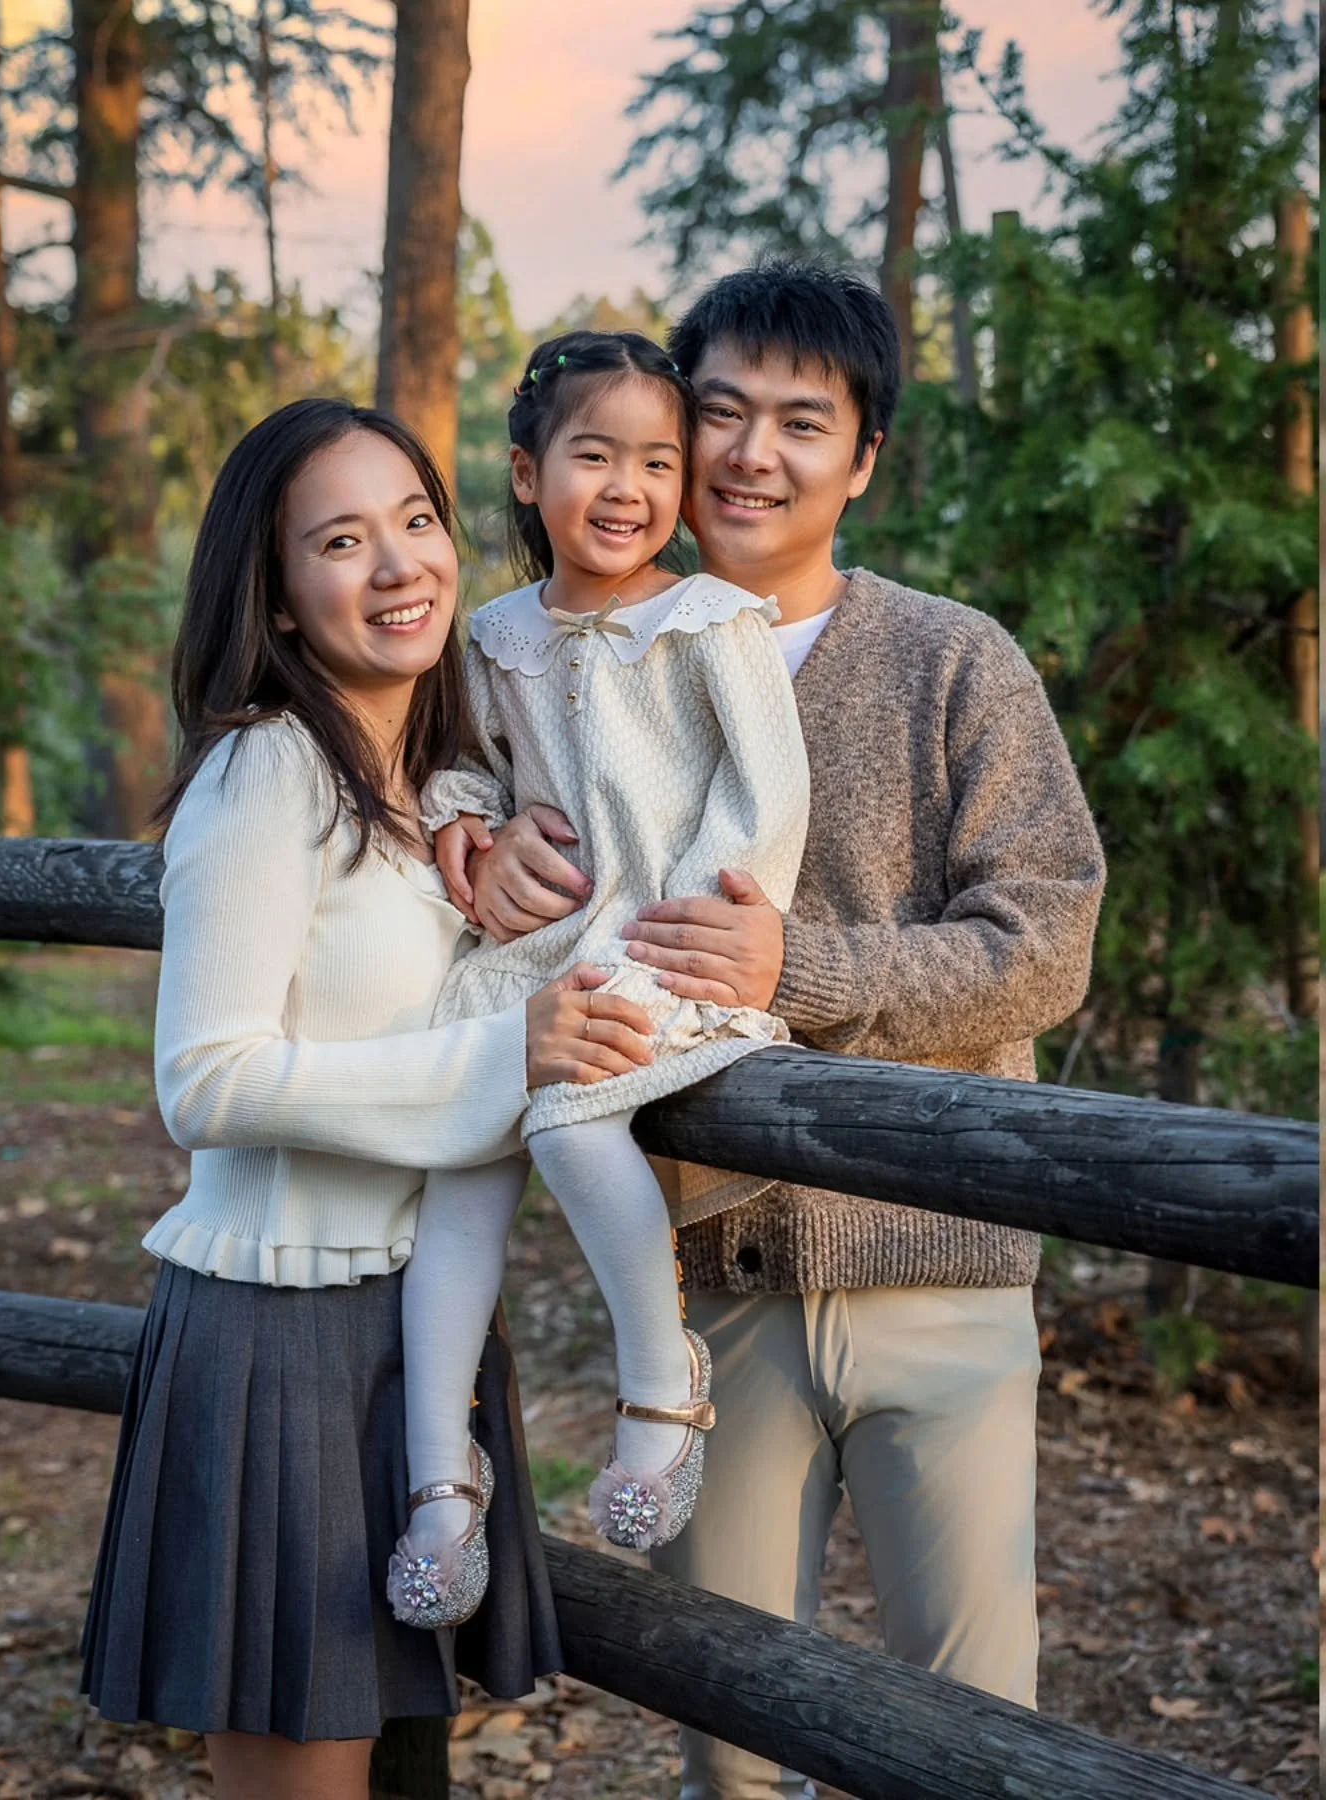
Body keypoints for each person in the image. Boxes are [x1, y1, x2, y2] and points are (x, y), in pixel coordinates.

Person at [457, 262, 1107, 1800]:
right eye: (721, 416)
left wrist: (795, 964)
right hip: (709, 1300)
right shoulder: (588, 657)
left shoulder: (955, 661)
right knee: (731, 1740)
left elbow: (1048, 942)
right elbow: (459, 789)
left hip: (938, 1277)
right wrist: (471, 844)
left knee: (970, 1737)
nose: (752, 455)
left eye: (801, 424)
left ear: (863, 458)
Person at [79, 398, 660, 1800]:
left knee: (394, 1766)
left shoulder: (424, 785)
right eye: (341, 541)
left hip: (414, 1328)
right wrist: (501, 1059)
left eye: (414, 522)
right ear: (276, 593)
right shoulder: (269, 769)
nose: (398, 565)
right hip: (280, 1331)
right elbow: (204, 1079)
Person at [387, 330, 811, 1630]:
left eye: (658, 461)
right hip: (539, 949)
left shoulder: (711, 624)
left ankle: (660, 1382)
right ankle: (437, 1477)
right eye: (594, 455)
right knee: (458, 1157)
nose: (627, 485)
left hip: (671, 940)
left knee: (573, 1114)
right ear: (527, 474)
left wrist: (689, 926)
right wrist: (465, 823)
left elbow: (766, 792)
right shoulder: (496, 633)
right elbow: (462, 764)